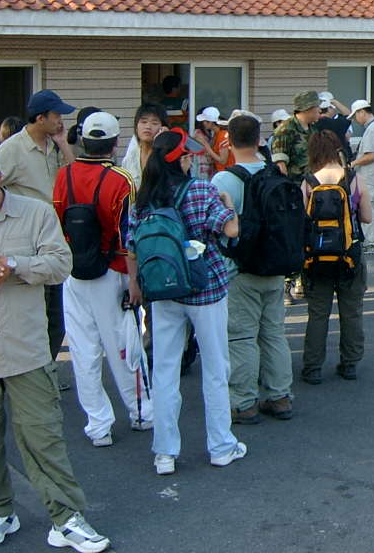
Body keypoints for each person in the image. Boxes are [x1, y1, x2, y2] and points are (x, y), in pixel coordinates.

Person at [0, 142, 111, 552]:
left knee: (44, 437)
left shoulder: (36, 213)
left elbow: (61, 264)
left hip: (25, 348)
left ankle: (66, 517)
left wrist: (13, 264)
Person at [126, 129, 245, 476]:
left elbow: (131, 246)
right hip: (205, 288)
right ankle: (221, 446)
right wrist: (229, 205)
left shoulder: (144, 198)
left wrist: (135, 283)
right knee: (216, 368)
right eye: (187, 155)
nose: (191, 158)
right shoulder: (201, 190)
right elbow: (231, 231)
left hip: (163, 291)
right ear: (180, 160)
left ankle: (164, 453)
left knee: (164, 371)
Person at [52, 112, 153, 447]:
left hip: (73, 271)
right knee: (124, 347)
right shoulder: (120, 180)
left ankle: (98, 426)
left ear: (83, 140)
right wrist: (134, 281)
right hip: (113, 271)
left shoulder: (63, 175)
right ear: (114, 142)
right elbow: (127, 237)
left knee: (83, 352)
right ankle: (140, 412)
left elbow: (57, 223)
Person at [212, 114, 294, 425]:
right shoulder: (275, 173)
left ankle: (244, 402)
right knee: (273, 333)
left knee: (241, 337)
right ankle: (280, 396)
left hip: (239, 268)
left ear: (228, 141)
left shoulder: (223, 181)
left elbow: (215, 226)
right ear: (260, 139)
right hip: (275, 264)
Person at [0, 89, 77, 373]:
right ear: (40, 118)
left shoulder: (54, 145)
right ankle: (29, 373)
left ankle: (47, 370)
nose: (61, 120)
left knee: (56, 318)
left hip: (54, 238)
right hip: (25, 243)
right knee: (32, 316)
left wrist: (63, 143)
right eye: (56, 115)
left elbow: (74, 178)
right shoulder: (12, 149)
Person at [300, 131, 373, 384]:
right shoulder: (354, 179)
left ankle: (312, 367)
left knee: (318, 313)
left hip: (317, 257)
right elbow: (367, 217)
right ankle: (350, 363)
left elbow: (302, 220)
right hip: (349, 254)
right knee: (351, 311)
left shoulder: (308, 182)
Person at [349, 99, 374, 255]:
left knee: (370, 209)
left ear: (362, 112)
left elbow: (371, 155)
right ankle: (372, 242)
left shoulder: (372, 130)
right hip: (373, 176)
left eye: (355, 116)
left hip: (370, 176)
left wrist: (352, 164)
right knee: (371, 208)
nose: (355, 120)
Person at [271, 91, 321, 181]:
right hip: (295, 184)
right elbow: (280, 166)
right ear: (307, 109)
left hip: (313, 182)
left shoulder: (313, 129)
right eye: (317, 106)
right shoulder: (285, 130)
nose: (320, 110)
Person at [122, 103, 169, 186]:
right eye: (143, 122)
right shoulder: (130, 157)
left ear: (163, 128)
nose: (148, 127)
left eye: (154, 123)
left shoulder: (168, 157)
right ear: (136, 127)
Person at [312, 91, 354, 164]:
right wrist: (335, 102)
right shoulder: (337, 123)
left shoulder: (312, 123)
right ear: (329, 109)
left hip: (318, 161)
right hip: (337, 161)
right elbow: (349, 116)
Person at [191, 107, 224, 180]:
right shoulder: (198, 133)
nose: (204, 123)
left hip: (210, 164)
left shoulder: (211, 132)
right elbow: (204, 149)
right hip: (201, 164)